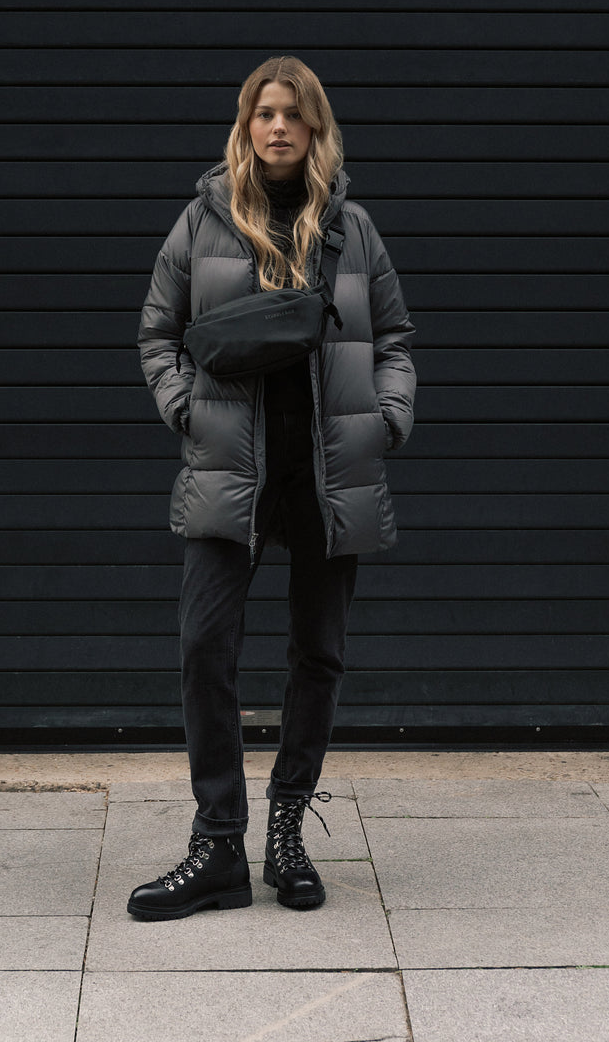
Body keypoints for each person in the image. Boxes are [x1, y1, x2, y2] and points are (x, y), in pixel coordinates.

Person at [128, 55, 416, 921]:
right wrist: (187, 413)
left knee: (316, 656)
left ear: (315, 127)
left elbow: (395, 335)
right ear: (246, 126)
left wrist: (389, 417)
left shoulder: (352, 231)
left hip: (330, 473)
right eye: (265, 112)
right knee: (204, 651)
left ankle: (285, 834)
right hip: (230, 473)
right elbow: (156, 333)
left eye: (295, 113)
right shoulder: (203, 220)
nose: (279, 126)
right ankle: (219, 844)